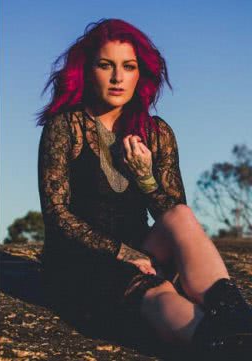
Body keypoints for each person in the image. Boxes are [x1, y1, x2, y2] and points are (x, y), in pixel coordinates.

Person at [37, 18, 252, 359]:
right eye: (106, 65)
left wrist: (146, 179)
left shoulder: (157, 132)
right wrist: (124, 252)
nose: (118, 78)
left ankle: (239, 322)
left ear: (141, 74)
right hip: (84, 263)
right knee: (158, 292)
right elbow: (57, 215)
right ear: (87, 70)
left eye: (128, 67)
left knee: (180, 215)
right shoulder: (65, 127)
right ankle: (230, 346)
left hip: (142, 251)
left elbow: (176, 219)